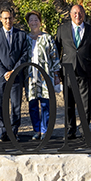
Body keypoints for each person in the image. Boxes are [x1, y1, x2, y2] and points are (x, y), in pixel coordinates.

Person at [55, 4, 91, 139]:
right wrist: (57, 72)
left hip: (85, 71)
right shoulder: (62, 29)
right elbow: (56, 51)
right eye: (74, 13)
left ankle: (84, 129)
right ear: (70, 14)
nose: (77, 15)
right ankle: (70, 130)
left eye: (80, 13)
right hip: (67, 71)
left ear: (84, 14)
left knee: (85, 103)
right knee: (69, 103)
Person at [0, 6, 31, 142]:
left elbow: (25, 54)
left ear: (14, 19)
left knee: (16, 105)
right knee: (0, 104)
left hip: (16, 76)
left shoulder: (22, 35)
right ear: (1, 19)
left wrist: (14, 71)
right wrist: (5, 72)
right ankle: (2, 131)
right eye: (5, 18)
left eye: (10, 18)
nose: (8, 21)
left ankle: (14, 131)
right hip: (0, 76)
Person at [25, 10, 61, 140]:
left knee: (46, 103)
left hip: (46, 75)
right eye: (31, 20)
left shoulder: (48, 38)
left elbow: (54, 56)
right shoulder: (25, 38)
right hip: (30, 77)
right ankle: (37, 130)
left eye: (36, 20)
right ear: (28, 23)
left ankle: (45, 130)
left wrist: (56, 75)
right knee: (33, 104)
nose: (34, 22)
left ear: (40, 22)